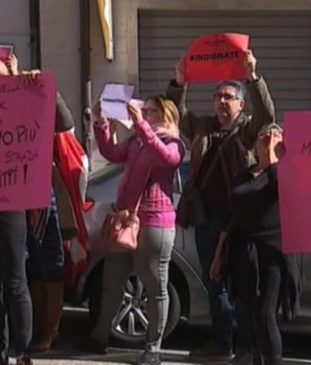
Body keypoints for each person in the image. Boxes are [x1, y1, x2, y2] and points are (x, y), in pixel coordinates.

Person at [166, 49, 275, 361]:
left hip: (237, 221)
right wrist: (179, 81)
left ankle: (244, 347)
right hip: (206, 219)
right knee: (215, 285)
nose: (222, 101)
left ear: (241, 104)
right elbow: (176, 114)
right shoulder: (203, 127)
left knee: (241, 285)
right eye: (217, 96)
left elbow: (268, 115)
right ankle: (222, 342)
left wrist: (253, 77)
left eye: (228, 96)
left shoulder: (248, 130)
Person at [76, 95, 185, 365]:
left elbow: (167, 159)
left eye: (149, 111)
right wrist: (102, 122)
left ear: (164, 114)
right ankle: (99, 336)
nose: (143, 114)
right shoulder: (138, 141)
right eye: (142, 110)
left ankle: (153, 348)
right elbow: (111, 153)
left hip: (155, 221)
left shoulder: (173, 141)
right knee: (113, 280)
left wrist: (141, 126)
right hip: (127, 219)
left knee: (155, 285)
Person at [209, 123, 303, 365]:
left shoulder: (285, 172)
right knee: (250, 313)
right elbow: (232, 216)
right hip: (243, 250)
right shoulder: (244, 175)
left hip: (273, 252)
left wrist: (273, 155)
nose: (269, 139)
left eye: (275, 136)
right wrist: (219, 254)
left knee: (265, 313)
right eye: (264, 136)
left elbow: (278, 187)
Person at [26, 92, 80, 353]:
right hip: (13, 197)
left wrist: (49, 90)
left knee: (50, 263)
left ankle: (49, 330)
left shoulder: (29, 98)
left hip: (43, 196)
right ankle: (32, 328)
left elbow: (66, 123)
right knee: (30, 267)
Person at [0, 54, 33, 365]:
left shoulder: (20, 106)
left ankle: (21, 350)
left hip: (11, 203)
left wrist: (21, 81)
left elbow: (61, 120)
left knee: (14, 279)